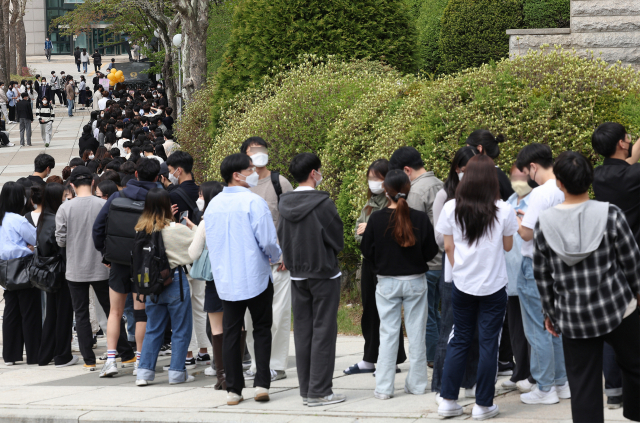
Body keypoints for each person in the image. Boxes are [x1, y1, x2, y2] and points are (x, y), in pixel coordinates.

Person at [533, 151, 640, 423]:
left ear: (560, 183)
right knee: (636, 367)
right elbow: (631, 263)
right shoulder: (610, 214)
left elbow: (543, 276)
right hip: (617, 308)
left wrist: (550, 313)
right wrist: (637, 294)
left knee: (583, 383)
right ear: (590, 179)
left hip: (573, 315)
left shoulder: (544, 223)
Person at [436, 155, 518, 420]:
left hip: (462, 284)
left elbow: (448, 246)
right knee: (488, 344)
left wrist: (460, 268)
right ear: (492, 179)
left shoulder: (451, 207)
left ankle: (448, 400)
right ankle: (483, 405)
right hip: (494, 286)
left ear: (467, 177)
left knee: (459, 338)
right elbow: (507, 246)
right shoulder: (503, 209)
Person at [205, 153, 281, 405]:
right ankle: (261, 384)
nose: (255, 172)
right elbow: (268, 240)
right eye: (250, 169)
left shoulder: (213, 204)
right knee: (261, 330)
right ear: (237, 175)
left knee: (230, 332)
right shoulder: (254, 202)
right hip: (255, 275)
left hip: (226, 279)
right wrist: (275, 256)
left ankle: (233, 389)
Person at [360, 169, 438, 400]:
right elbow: (431, 251)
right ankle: (416, 385)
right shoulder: (421, 218)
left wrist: (381, 266)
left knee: (388, 334)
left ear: (386, 190)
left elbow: (367, 251)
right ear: (408, 188)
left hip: (387, 283)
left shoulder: (376, 218)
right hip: (415, 281)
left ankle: (384, 388)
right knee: (416, 334)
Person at [278, 153, 345, 407]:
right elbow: (336, 240)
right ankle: (320, 391)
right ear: (314, 173)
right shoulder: (323, 203)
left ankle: (307, 390)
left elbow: (281, 236)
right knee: (324, 331)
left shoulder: (284, 203)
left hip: (297, 273)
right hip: (324, 272)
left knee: (303, 331)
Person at [57, 166, 133, 371]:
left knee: (81, 314)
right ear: (93, 182)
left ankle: (88, 360)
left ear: (71, 185)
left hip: (75, 268)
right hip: (102, 266)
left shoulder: (65, 208)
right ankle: (126, 354)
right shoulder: (103, 203)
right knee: (112, 311)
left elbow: (61, 240)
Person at [92, 158, 161, 378]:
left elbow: (98, 228)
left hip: (118, 262)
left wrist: (106, 254)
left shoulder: (116, 196)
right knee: (141, 314)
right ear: (157, 178)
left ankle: (111, 360)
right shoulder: (157, 199)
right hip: (144, 264)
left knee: (115, 312)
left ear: (136, 175)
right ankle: (140, 361)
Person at [590, 122, 640, 409]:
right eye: (628, 137)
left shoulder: (599, 175)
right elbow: (631, 167)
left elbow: (627, 164)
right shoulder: (634, 175)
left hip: (610, 258)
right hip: (635, 256)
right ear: (622, 143)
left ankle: (614, 389)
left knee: (616, 319)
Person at [515, 143, 569, 404]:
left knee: (537, 328)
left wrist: (518, 222)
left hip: (534, 266)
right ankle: (561, 382)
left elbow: (526, 233)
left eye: (526, 172)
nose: (527, 177)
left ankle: (545, 388)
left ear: (533, 167)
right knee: (554, 325)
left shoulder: (539, 194)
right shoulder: (563, 187)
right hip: (558, 264)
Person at [344, 159, 407, 376]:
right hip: (368, 263)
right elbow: (357, 234)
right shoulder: (368, 205)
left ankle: (393, 360)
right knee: (369, 312)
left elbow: (394, 235)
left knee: (388, 314)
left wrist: (370, 229)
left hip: (387, 264)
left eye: (378, 178)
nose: (374, 183)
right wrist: (365, 233)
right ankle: (369, 358)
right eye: (371, 178)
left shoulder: (398, 204)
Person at [240, 137, 294, 382]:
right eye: (253, 152)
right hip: (250, 264)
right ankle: (257, 363)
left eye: (261, 150)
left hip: (279, 260)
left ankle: (276, 365)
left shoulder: (279, 182)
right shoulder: (241, 185)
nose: (258, 155)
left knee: (279, 314)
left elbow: (293, 220)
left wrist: (288, 252)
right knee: (250, 318)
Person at [134, 188, 198, 386]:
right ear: (167, 206)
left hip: (151, 286)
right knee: (181, 329)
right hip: (175, 282)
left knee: (153, 329)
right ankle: (177, 373)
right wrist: (191, 226)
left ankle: (144, 373)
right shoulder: (177, 229)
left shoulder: (140, 230)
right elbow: (198, 246)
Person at [430, 146, 479, 400]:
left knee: (476, 333)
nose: (466, 174)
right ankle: (441, 385)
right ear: (456, 169)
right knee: (450, 329)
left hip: (479, 273)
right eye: (463, 169)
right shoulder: (444, 197)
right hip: (453, 273)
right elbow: (440, 237)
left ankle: (471, 382)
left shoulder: (484, 196)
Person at [389, 146, 443, 367]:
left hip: (428, 262)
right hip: (446, 261)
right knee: (439, 313)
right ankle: (441, 352)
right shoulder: (441, 183)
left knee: (426, 315)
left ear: (406, 170)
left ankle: (432, 357)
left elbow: (409, 230)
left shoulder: (417, 191)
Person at [164, 151, 209, 367]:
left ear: (178, 170)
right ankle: (204, 349)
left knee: (184, 307)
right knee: (200, 304)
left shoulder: (172, 194)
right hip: (201, 255)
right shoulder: (203, 191)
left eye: (171, 170)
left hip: (181, 257)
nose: (170, 174)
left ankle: (188, 353)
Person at [187, 181, 225, 386]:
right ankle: (239, 364)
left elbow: (193, 252)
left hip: (214, 280)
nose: (199, 198)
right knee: (238, 325)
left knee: (217, 328)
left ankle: (222, 374)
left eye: (201, 195)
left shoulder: (206, 220)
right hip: (237, 279)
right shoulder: (233, 216)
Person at [37, 183, 78, 367]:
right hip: (61, 272)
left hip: (49, 272)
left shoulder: (43, 218)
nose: (65, 200)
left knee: (52, 314)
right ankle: (63, 355)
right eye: (63, 197)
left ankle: (45, 354)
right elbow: (61, 247)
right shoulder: (55, 219)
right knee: (63, 314)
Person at [0, 182, 41, 365]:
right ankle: (34, 354)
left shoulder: (2, 219)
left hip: (4, 269)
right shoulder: (17, 219)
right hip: (23, 267)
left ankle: (10, 355)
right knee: (29, 312)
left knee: (11, 312)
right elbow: (35, 237)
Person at [502, 165, 535, 392]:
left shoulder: (536, 201)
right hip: (510, 275)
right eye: (513, 175)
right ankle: (519, 372)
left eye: (521, 174)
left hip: (530, 273)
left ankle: (534, 374)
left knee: (533, 327)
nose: (517, 179)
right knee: (515, 328)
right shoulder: (506, 203)